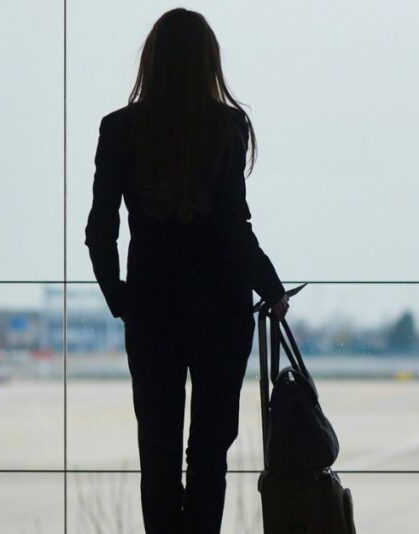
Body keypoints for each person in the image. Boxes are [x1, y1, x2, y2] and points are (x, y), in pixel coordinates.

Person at [84, 8, 288, 534]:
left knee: (157, 450)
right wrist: (270, 285)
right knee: (208, 457)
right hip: (221, 310)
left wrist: (121, 300)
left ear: (151, 61)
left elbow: (100, 230)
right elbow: (231, 226)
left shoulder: (119, 129)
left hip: (152, 311)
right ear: (207, 63)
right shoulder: (226, 126)